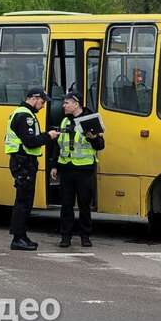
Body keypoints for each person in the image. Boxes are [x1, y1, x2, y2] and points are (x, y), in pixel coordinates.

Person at [4, 87, 60, 251]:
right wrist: (48, 136)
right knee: (23, 202)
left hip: (24, 161)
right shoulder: (25, 116)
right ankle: (18, 238)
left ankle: (22, 236)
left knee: (26, 201)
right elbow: (30, 141)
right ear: (34, 98)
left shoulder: (24, 113)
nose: (43, 106)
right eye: (42, 102)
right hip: (23, 162)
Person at [49, 91, 105, 248]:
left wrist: (93, 138)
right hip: (66, 169)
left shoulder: (90, 119)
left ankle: (85, 236)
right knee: (66, 205)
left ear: (76, 103)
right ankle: (65, 236)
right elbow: (57, 145)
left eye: (66, 103)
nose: (63, 105)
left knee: (84, 205)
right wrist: (54, 165)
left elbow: (100, 145)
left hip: (85, 170)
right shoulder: (64, 121)